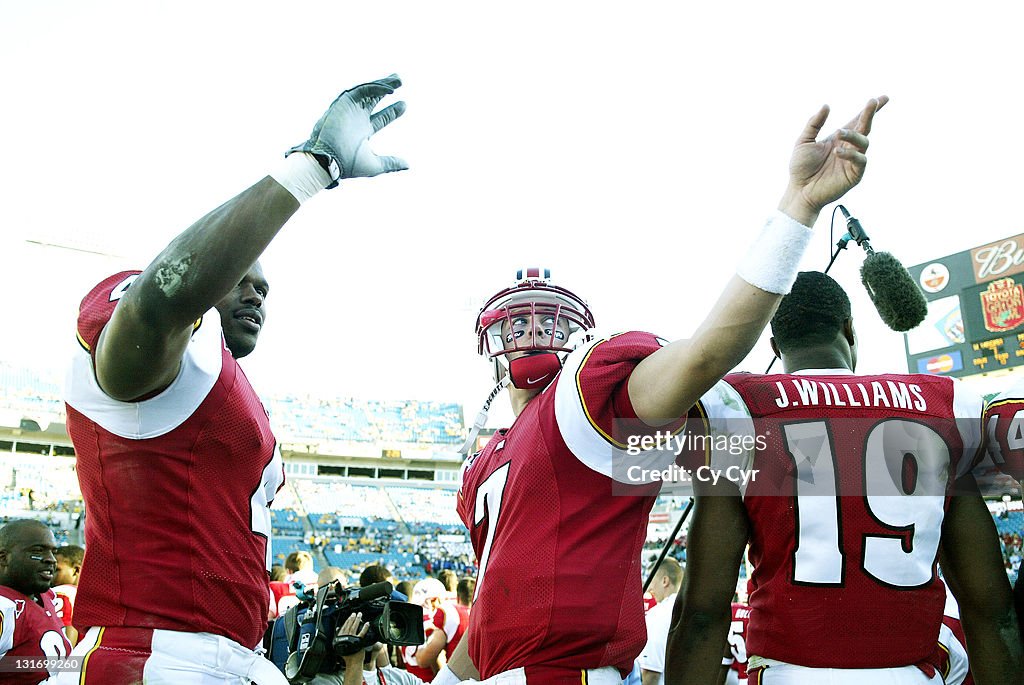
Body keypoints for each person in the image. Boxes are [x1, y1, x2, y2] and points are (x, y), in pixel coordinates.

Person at [444, 96, 889, 685]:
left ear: (576, 333)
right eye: (517, 323)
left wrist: (797, 207)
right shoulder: (487, 457)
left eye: (547, 320)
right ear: (490, 340)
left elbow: (707, 353)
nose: (532, 334)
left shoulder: (583, 394)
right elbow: (499, 615)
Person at [58, 75, 407, 684]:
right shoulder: (164, 343)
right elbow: (158, 298)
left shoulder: (232, 391)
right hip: (154, 653)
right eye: (240, 277)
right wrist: (310, 169)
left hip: (232, 657)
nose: (257, 293)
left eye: (266, 288)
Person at [665, 271, 1023, 683]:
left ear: (775, 345)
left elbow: (702, 614)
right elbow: (991, 614)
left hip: (789, 674)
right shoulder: (943, 404)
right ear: (849, 328)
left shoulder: (741, 408)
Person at [0, 519, 71, 684]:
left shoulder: (47, 596)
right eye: (38, 550)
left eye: (53, 551)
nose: (51, 559)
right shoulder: (5, 606)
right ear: (3, 558)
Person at [636, 558, 682, 685]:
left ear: (664, 581)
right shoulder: (691, 610)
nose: (649, 587)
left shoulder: (658, 614)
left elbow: (651, 672)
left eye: (652, 580)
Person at [49, 545, 83, 647]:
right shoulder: (91, 595)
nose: (51, 574)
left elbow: (64, 643)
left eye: (57, 570)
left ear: (76, 570)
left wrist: (64, 663)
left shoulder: (62, 593)